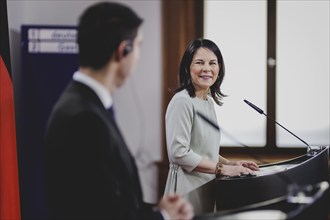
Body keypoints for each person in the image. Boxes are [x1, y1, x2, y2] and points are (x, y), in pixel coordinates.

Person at [44, 2, 193, 220]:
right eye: (139, 45)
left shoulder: (86, 104)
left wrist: (156, 209)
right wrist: (163, 217)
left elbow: (106, 199)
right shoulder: (84, 119)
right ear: (123, 51)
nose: (139, 57)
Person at [164, 39, 259, 212]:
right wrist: (222, 169)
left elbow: (205, 150)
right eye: (199, 62)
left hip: (206, 185)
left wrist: (231, 164)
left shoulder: (207, 101)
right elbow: (179, 153)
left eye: (212, 63)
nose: (207, 68)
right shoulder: (182, 101)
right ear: (188, 67)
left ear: (219, 69)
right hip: (187, 189)